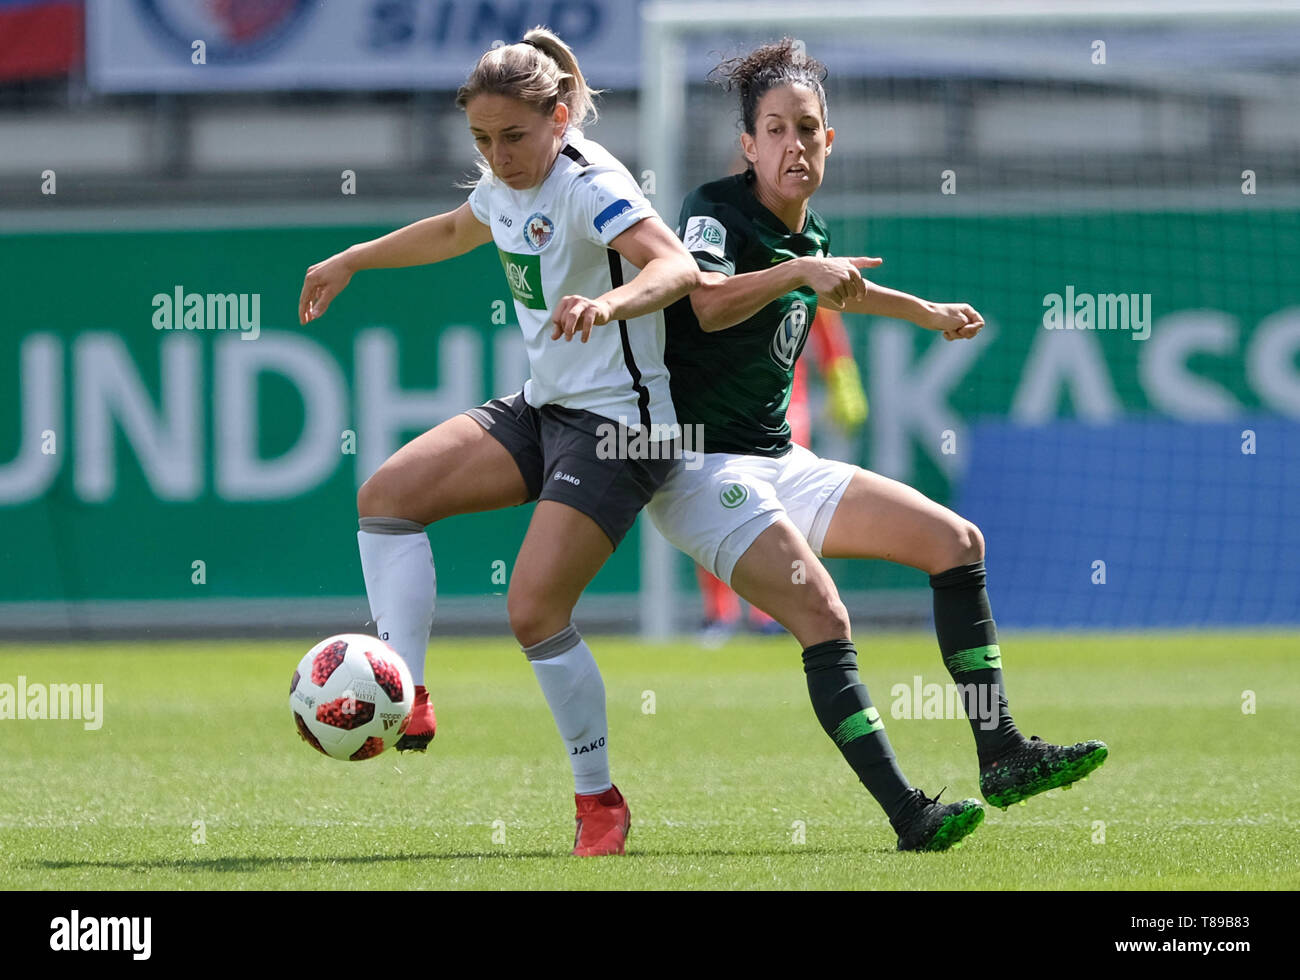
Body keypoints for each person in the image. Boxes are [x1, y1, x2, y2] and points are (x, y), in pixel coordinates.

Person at [647, 39, 1108, 852]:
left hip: (778, 461)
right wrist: (802, 274)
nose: (796, 144)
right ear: (747, 145)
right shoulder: (713, 209)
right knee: (826, 613)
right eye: (777, 129)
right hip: (698, 469)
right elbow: (709, 303)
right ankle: (911, 816)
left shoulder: (808, 229)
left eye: (809, 129)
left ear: (831, 140)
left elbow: (843, 288)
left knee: (954, 541)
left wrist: (924, 311)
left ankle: (1000, 752)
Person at [298, 28, 699, 857]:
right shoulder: (506, 181)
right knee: (387, 497)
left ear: (559, 117)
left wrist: (613, 307)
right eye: (482, 139)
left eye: (513, 137)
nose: (498, 154)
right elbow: (453, 232)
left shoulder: (592, 185)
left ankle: (600, 803)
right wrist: (352, 259)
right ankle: (403, 689)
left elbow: (676, 268)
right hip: (547, 408)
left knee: (531, 610)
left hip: (622, 425)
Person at [695, 306, 868, 642]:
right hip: (721, 398)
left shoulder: (796, 260)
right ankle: (718, 615)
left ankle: (769, 614)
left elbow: (822, 311)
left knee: (781, 508)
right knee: (713, 497)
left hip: (784, 404)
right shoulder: (717, 263)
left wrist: (842, 376)